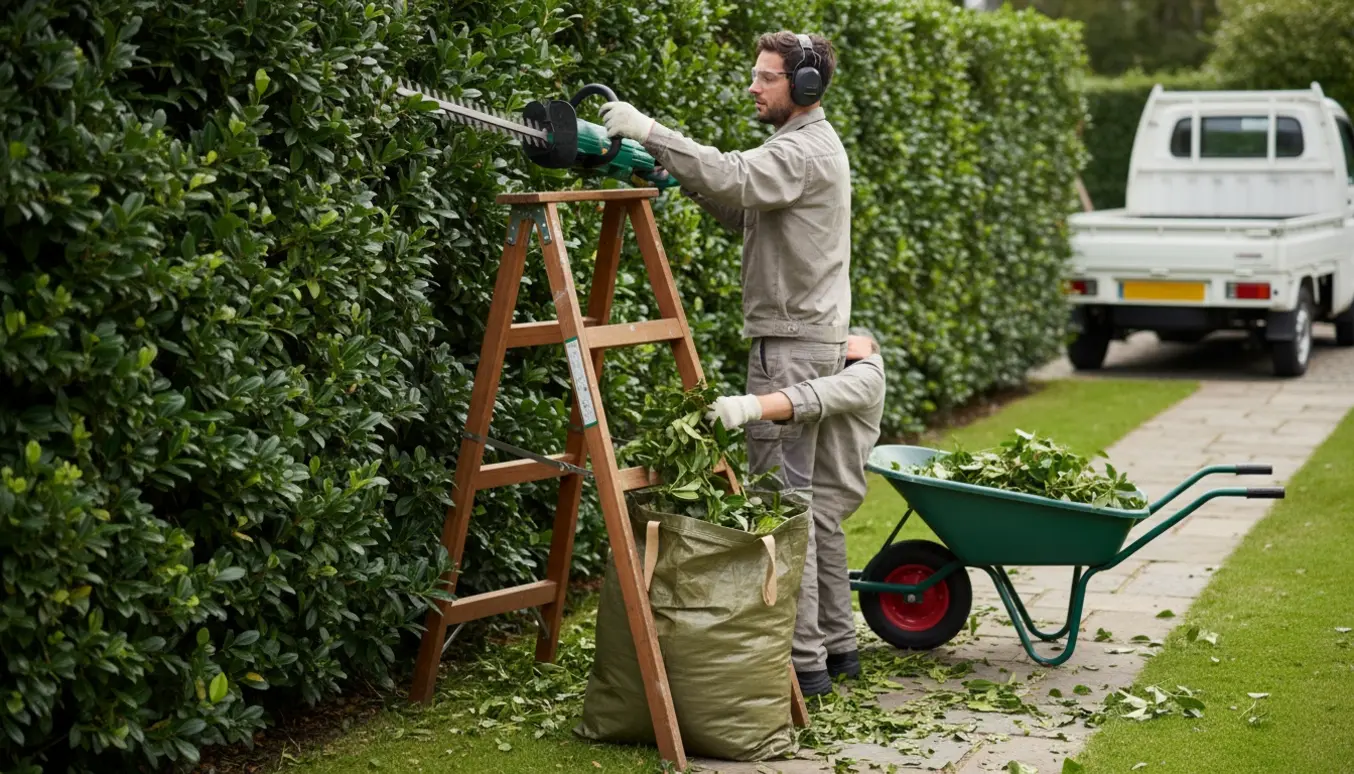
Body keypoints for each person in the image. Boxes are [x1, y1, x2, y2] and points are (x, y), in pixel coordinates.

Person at [599, 31, 853, 698]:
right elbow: (743, 210)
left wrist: (650, 130)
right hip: (804, 340)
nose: (753, 86)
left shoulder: (800, 149)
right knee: (808, 502)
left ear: (803, 87)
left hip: (791, 348)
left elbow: (736, 176)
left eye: (766, 77)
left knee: (780, 505)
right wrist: (672, 173)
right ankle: (838, 648)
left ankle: (804, 667)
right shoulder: (803, 148)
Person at [706, 330, 886, 694]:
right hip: (831, 489)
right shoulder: (847, 366)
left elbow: (818, 394)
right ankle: (842, 654)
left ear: (872, 352)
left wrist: (747, 407)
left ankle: (808, 671)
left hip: (832, 488)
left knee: (796, 546)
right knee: (828, 552)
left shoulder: (868, 375)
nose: (846, 347)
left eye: (854, 347)